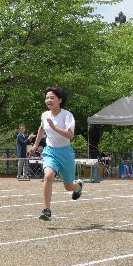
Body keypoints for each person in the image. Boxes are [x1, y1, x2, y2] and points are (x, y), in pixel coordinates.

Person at [29, 87, 83, 221]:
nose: (48, 100)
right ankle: (46, 210)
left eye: (52, 97)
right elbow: (41, 128)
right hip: (50, 151)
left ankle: (78, 186)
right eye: (47, 98)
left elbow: (70, 135)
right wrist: (35, 145)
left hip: (65, 152)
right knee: (48, 176)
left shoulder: (67, 115)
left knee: (68, 186)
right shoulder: (44, 115)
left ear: (60, 100)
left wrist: (54, 128)